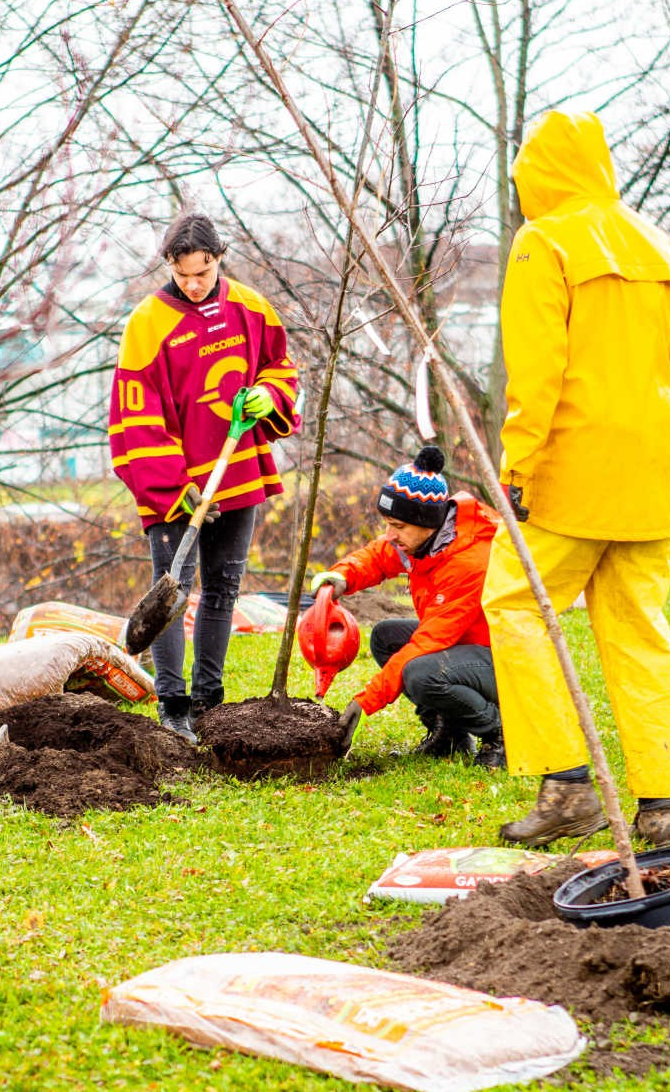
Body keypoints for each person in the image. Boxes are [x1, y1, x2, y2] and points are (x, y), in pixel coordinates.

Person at [481, 110, 670, 849]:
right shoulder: (653, 241)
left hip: (570, 473)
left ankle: (566, 783)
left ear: (536, 173)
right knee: (639, 634)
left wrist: (516, 467)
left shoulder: (542, 243)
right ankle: (660, 807)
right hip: (650, 475)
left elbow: (537, 374)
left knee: (511, 602)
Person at [110, 213, 301, 741]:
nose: (195, 284)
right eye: (184, 273)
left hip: (236, 474)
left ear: (220, 259)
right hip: (175, 488)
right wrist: (174, 486)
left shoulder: (251, 306)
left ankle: (208, 700)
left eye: (205, 271)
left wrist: (271, 395)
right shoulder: (147, 323)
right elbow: (134, 415)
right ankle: (172, 705)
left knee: (224, 587)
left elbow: (281, 368)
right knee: (172, 590)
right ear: (169, 265)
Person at [314, 446, 505, 766]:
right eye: (388, 523)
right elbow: (377, 556)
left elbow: (429, 642)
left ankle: (500, 733)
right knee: (386, 637)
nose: (391, 534)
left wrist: (365, 701)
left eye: (398, 527)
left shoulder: (470, 560)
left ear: (427, 521)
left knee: (421, 672)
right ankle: (450, 736)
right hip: (465, 645)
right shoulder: (425, 540)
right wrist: (341, 577)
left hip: (503, 657)